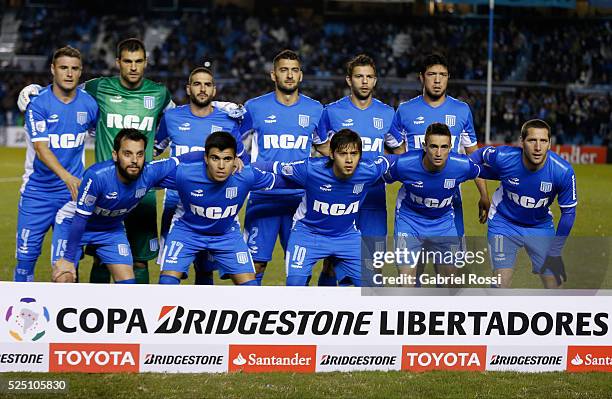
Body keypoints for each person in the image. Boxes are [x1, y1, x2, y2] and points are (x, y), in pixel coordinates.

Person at [18, 38, 173, 284]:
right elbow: (65, 90)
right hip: (101, 189)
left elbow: (175, 120)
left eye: (138, 62)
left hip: (141, 189)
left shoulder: (160, 93)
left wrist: (155, 149)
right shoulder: (97, 89)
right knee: (99, 257)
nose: (133, 67)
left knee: (140, 259)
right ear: (118, 63)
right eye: (128, 62)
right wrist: (36, 91)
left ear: (146, 63)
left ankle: (136, 313)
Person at [257, 129, 392, 287]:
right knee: (294, 286)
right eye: (343, 154)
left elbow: (396, 161)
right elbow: (271, 166)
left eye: (354, 154)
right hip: (308, 235)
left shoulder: (369, 171)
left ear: (360, 156)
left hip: (347, 237)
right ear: (332, 154)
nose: (349, 160)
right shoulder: (311, 169)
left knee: (374, 287)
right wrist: (238, 165)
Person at [51, 128, 188, 283]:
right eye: (127, 154)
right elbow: (80, 218)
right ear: (115, 155)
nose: (134, 160)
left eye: (140, 154)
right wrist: (68, 259)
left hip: (110, 229)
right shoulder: (98, 176)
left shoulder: (148, 172)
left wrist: (206, 157)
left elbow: (183, 159)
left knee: (127, 285)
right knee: (64, 278)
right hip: (73, 224)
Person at [241, 49, 328, 285]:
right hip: (263, 197)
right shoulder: (254, 107)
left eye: (294, 70)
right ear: (273, 75)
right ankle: (250, 318)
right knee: (254, 265)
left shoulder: (315, 109)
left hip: (300, 199)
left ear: (301, 75)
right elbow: (235, 143)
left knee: (300, 268)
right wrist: (249, 169)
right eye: (283, 70)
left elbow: (324, 147)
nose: (289, 75)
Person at [316, 54, 404, 286]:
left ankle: (366, 316)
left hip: (374, 200)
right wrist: (339, 166)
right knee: (334, 263)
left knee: (372, 265)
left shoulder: (387, 113)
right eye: (359, 77)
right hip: (341, 199)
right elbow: (321, 143)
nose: (364, 82)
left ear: (375, 81)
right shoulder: (332, 111)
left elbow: (399, 151)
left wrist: (389, 171)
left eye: (369, 77)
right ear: (349, 80)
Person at [154, 66, 247, 285]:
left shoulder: (228, 121)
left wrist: (240, 161)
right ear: (188, 89)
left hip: (216, 203)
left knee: (206, 269)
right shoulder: (172, 117)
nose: (202, 89)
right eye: (197, 84)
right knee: (170, 271)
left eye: (207, 84)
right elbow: (155, 149)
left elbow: (241, 159)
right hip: (176, 203)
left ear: (214, 91)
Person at [14, 46, 98, 282]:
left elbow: (102, 135)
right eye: (63, 68)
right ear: (53, 69)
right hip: (36, 194)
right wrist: (67, 175)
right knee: (24, 263)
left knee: (66, 269)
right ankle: (21, 316)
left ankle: (66, 317)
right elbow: (41, 148)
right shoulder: (38, 103)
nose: (69, 74)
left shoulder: (90, 105)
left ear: (81, 72)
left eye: (74, 69)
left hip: (70, 197)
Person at [158, 132, 284, 286]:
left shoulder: (245, 175)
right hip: (187, 232)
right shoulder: (184, 174)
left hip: (226, 235)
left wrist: (314, 178)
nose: (221, 166)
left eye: (227, 159)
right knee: (167, 282)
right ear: (205, 158)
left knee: (250, 288)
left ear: (235, 160)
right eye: (215, 158)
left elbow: (282, 181)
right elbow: (146, 177)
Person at [390, 53, 490, 238]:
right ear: (421, 77)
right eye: (431, 74)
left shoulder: (461, 110)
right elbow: (398, 151)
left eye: (442, 75)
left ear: (448, 77)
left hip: (450, 197)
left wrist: (483, 193)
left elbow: (473, 155)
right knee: (412, 264)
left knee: (449, 264)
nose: (437, 80)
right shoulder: (405, 110)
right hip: (413, 198)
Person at [469, 119, 577, 288]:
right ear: (522, 142)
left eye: (543, 141)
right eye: (532, 140)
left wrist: (554, 252)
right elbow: (476, 158)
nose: (538, 147)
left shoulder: (562, 171)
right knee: (500, 282)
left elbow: (569, 214)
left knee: (555, 285)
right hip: (503, 223)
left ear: (550, 143)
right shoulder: (503, 157)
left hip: (539, 226)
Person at [384, 123, 481, 287]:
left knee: (449, 284)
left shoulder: (462, 165)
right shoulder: (404, 165)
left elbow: (492, 171)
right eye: (433, 146)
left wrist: (485, 196)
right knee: (406, 283)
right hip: (409, 222)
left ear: (451, 147)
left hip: (443, 224)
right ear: (424, 146)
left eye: (444, 147)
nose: (438, 153)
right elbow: (378, 175)